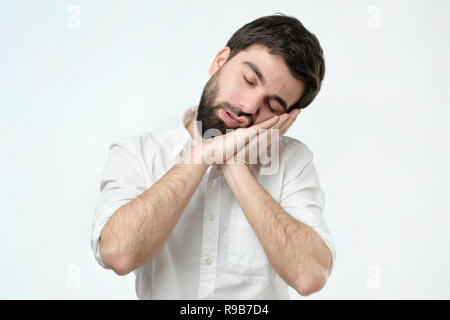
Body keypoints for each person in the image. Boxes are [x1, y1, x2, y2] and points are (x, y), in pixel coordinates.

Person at [91, 13, 336, 299]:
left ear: (285, 117)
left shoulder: (292, 162)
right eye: (248, 80)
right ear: (219, 61)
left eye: (271, 104)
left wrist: (234, 163)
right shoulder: (138, 154)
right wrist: (205, 154)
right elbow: (119, 255)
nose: (248, 106)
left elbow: (308, 276)